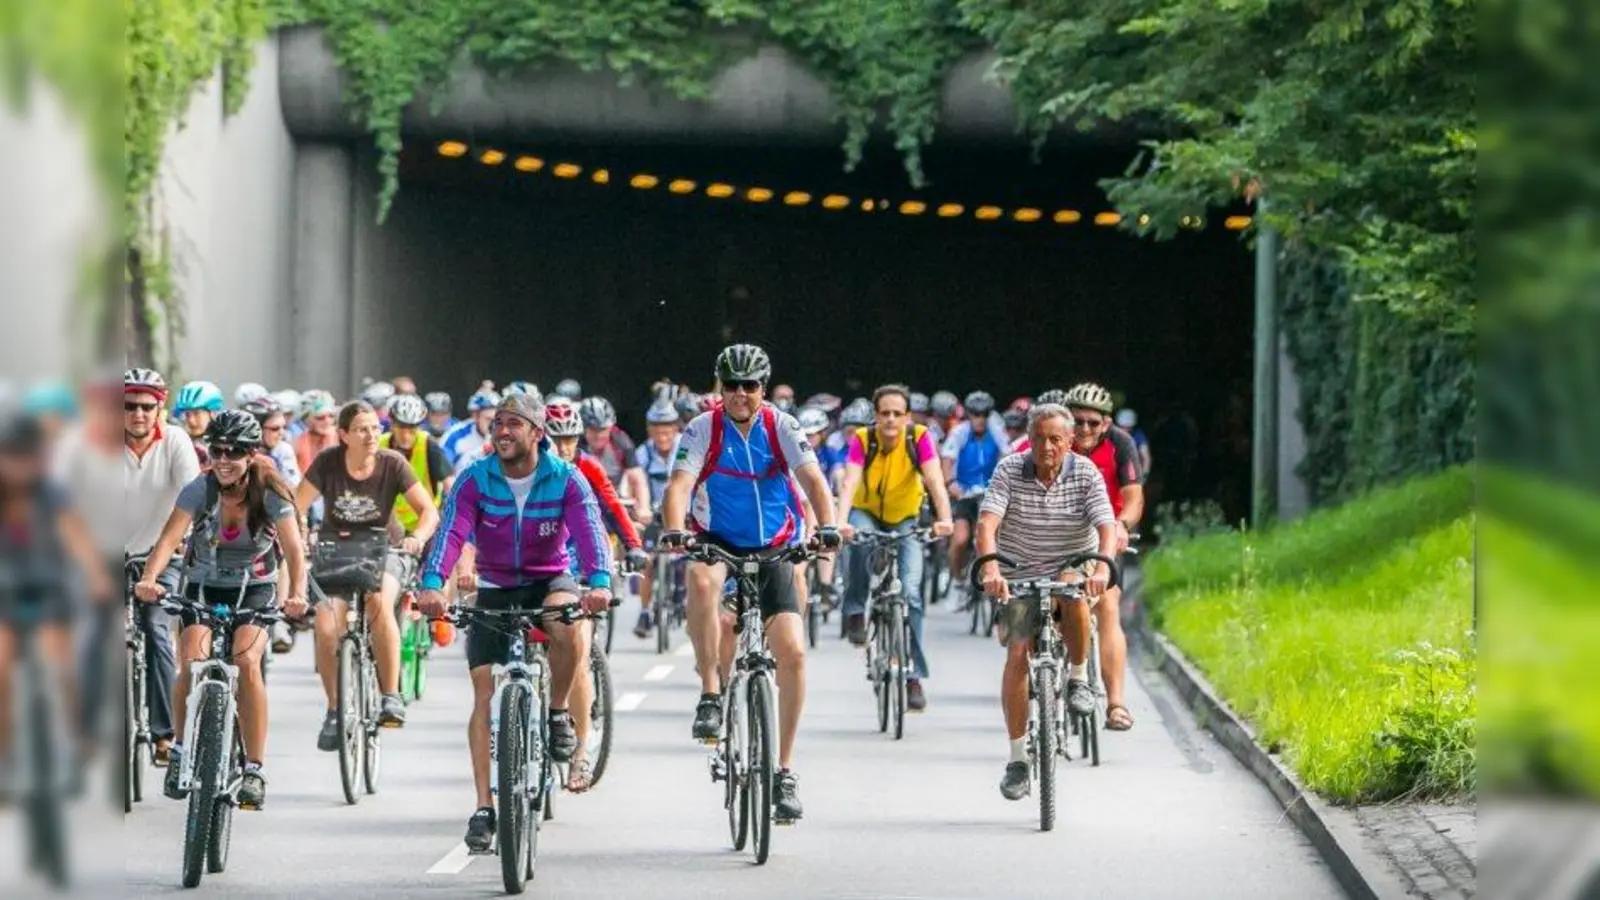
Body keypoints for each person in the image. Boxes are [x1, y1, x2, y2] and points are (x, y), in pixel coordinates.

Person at [415, 392, 614, 852]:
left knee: (564, 623)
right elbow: (450, 533)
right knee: (484, 692)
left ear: (537, 434)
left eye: (515, 424)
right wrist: (432, 583)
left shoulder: (566, 479)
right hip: (497, 585)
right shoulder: (474, 479)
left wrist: (599, 582)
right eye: (498, 422)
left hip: (551, 579)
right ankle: (484, 807)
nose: (503, 430)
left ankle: (559, 711)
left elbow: (588, 533)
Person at [659, 343, 841, 825]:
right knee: (700, 582)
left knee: (794, 652)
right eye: (732, 385)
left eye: (751, 385)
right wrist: (676, 530)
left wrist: (827, 526)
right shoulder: (702, 428)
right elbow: (678, 485)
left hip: (774, 543)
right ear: (721, 387)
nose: (741, 394)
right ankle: (711, 694)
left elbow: (813, 480)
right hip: (717, 539)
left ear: (763, 387)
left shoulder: (783, 426)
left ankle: (784, 772)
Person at [133, 411, 308, 809]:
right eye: (218, 451)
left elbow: (295, 551)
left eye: (235, 452)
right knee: (191, 661)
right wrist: (150, 578)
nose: (225, 460)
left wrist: (296, 593)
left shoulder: (271, 491)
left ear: (251, 455)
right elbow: (168, 540)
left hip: (256, 587)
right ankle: (179, 750)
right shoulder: (201, 488)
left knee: (246, 662)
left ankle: (254, 768)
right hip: (202, 584)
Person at [974, 404, 1117, 801]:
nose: (1047, 446)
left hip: (1072, 561)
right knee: (1018, 653)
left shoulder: (1085, 472)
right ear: (1029, 439)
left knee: (1072, 589)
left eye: (1056, 439)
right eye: (1039, 438)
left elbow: (1106, 524)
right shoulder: (1009, 469)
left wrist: (1103, 568)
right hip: (1019, 570)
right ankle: (1018, 759)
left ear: (1070, 442)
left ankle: (1076, 676)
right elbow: (987, 524)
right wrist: (991, 569)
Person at [296, 401, 440, 747]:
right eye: (362, 428)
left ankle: (390, 694)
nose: (372, 434)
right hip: (336, 551)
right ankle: (334, 709)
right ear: (343, 435)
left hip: (385, 549)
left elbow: (428, 511)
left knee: (379, 600)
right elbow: (296, 505)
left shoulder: (394, 463)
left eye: (376, 427)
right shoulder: (328, 463)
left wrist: (417, 538)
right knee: (327, 626)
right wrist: (301, 535)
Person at [0, 407, 114, 790]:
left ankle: (72, 744)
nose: (19, 466)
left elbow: (77, 538)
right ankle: (5, 755)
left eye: (25, 456)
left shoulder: (51, 493)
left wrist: (97, 578)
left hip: (49, 586)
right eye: (11, 456)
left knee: (61, 662)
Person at [541, 397, 645, 790]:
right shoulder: (524, 467)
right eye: (557, 439)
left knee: (578, 651)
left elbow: (614, 508)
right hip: (542, 571)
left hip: (580, 567)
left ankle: (580, 753)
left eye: (571, 439)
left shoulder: (588, 467)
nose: (566, 448)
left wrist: (634, 545)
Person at [833, 384, 954, 711]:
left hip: (905, 516)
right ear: (875, 416)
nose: (890, 420)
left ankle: (913, 676)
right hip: (866, 511)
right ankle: (855, 609)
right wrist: (841, 522)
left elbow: (934, 481)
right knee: (857, 540)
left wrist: (945, 519)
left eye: (897, 414)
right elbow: (850, 482)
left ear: (907, 416)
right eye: (884, 413)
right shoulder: (863, 439)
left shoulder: (919, 438)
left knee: (911, 592)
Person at [123, 368, 197, 767]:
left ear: (159, 408)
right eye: (129, 405)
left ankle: (164, 734)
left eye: (146, 406)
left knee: (155, 628)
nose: (137, 413)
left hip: (162, 554)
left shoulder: (176, 442)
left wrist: (164, 553)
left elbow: (190, 500)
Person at [1063, 382, 1146, 732]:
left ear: (1106, 424)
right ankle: (1051, 670)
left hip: (1105, 535)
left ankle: (1115, 704)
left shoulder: (1121, 444)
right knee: (1052, 607)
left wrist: (1123, 524)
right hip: (1061, 534)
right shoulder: (1054, 441)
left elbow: (1133, 497)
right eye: (1077, 421)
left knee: (1108, 606)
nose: (1084, 430)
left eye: (1092, 423)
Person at [941, 390, 1007, 601]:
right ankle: (957, 579)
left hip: (990, 492)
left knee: (998, 538)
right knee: (960, 539)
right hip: (965, 492)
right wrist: (951, 484)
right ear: (969, 415)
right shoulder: (959, 432)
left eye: (984, 414)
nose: (979, 419)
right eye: (975, 414)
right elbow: (948, 461)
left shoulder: (997, 431)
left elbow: (1008, 455)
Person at [629, 398, 683, 637]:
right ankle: (644, 610)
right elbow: (635, 482)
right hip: (651, 512)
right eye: (658, 429)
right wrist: (638, 510)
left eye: (668, 428)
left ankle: (682, 596)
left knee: (689, 559)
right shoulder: (643, 453)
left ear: (676, 428)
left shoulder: (685, 448)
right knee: (647, 561)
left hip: (681, 511)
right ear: (650, 429)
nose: (663, 435)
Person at [578, 397, 649, 523]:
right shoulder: (574, 445)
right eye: (593, 430)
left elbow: (638, 480)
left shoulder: (621, 442)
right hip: (581, 500)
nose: (599, 436)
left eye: (603, 429)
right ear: (583, 428)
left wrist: (644, 508)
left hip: (612, 499)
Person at [441, 388, 499, 471]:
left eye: (497, 419)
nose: (493, 425)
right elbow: (442, 469)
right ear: (475, 417)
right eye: (488, 419)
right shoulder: (455, 435)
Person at [173, 380, 224, 468]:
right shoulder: (180, 443)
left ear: (213, 413)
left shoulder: (226, 444)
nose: (191, 420)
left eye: (197, 413)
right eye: (187, 414)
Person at [1116, 408, 1153, 474]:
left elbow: (1146, 457)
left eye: (1128, 427)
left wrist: (1144, 474)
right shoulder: (1112, 434)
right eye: (1122, 426)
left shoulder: (1138, 435)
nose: (1125, 429)